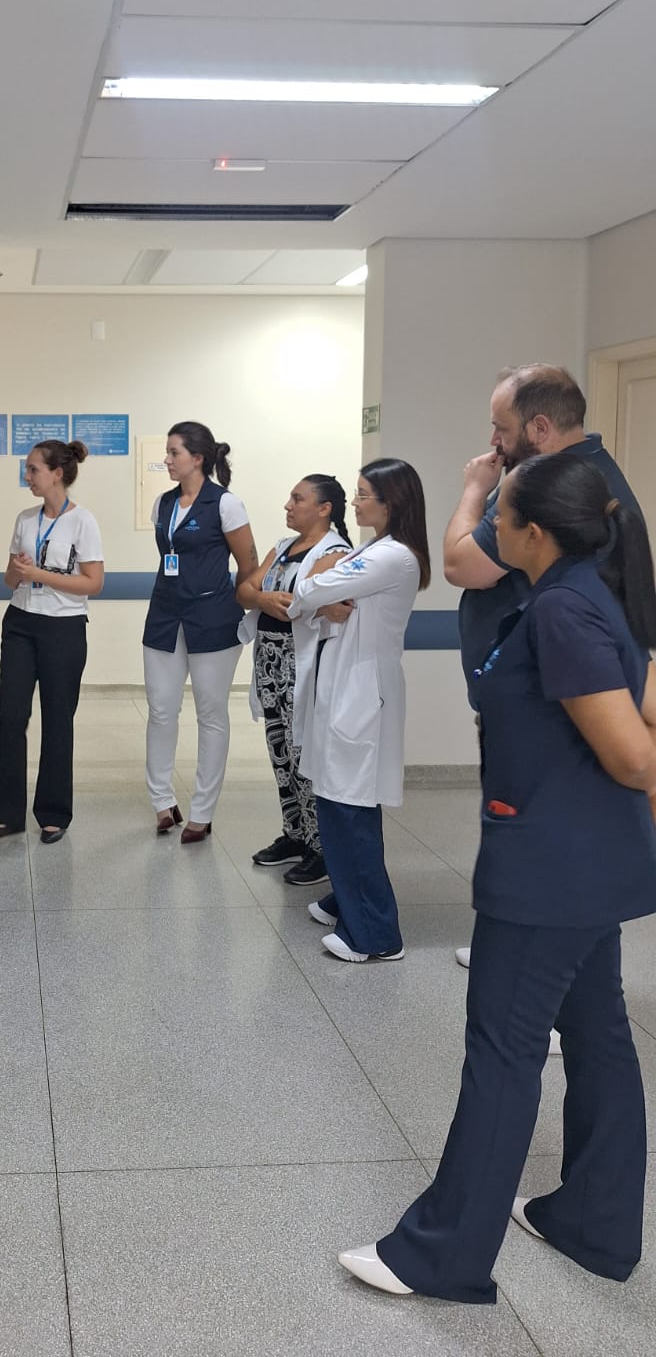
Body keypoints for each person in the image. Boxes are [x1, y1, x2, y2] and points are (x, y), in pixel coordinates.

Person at [341, 453, 656, 1302]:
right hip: (586, 867)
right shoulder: (593, 589)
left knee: (503, 1055)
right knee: (599, 1035)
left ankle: (441, 1255)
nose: (490, 528)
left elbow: (635, 754)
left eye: (500, 516)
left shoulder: (562, 609)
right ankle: (592, 1222)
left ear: (535, 533)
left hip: (550, 874)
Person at [443, 364, 643, 975]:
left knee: (555, 846)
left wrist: (477, 491)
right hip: (542, 696)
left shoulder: (550, 492)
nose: (493, 443)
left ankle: (545, 980)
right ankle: (557, 973)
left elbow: (461, 565)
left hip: (556, 704)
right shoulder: (570, 479)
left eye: (501, 429)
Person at [288, 458, 430, 961]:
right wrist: (321, 595)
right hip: (343, 686)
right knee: (335, 799)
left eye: (364, 494)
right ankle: (345, 899)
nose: (357, 501)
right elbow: (312, 601)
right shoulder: (372, 550)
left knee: (350, 809)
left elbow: (308, 589)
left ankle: (375, 935)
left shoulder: (392, 557)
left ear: (392, 501)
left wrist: (321, 584)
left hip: (362, 694)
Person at [0, 440, 103, 843]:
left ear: (57, 473)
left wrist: (41, 576)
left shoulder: (83, 522)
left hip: (63, 628)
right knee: (11, 717)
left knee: (57, 720)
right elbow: (8, 579)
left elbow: (93, 582)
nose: (27, 476)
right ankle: (6, 815)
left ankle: (53, 814)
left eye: (33, 469)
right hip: (20, 623)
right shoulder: (25, 518)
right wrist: (19, 573)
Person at [143, 421, 256, 843]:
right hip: (164, 616)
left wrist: (241, 607)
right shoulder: (163, 503)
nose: (167, 460)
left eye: (174, 453)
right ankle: (161, 800)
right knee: (160, 709)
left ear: (198, 458)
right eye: (167, 452)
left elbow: (248, 565)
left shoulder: (226, 505)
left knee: (210, 714)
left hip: (212, 619)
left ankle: (202, 811)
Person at [237, 476, 352, 887]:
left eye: (298, 499)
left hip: (302, 665)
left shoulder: (335, 552)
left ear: (324, 509)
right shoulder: (283, 548)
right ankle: (295, 833)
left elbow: (299, 603)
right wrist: (264, 597)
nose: (288, 505)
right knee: (280, 749)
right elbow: (247, 590)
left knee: (305, 751)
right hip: (268, 660)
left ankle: (321, 848)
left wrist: (269, 597)